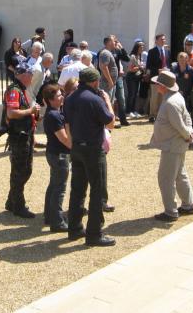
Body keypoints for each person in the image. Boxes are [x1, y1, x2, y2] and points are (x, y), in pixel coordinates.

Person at [64, 67, 116, 246]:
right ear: (94, 82)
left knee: (77, 189)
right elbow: (111, 122)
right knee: (97, 190)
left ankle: (74, 228)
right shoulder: (95, 99)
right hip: (93, 149)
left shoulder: (69, 98)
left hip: (77, 147)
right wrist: (108, 101)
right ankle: (94, 233)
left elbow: (68, 123)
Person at [149, 71, 193, 222]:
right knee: (180, 175)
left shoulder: (170, 102)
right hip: (176, 144)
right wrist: (189, 133)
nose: (156, 85)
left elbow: (180, 124)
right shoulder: (177, 98)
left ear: (163, 86)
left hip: (172, 145)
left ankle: (170, 211)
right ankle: (188, 205)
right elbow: (186, 119)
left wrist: (188, 135)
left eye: (158, 83)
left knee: (166, 178)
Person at [4, 61, 39, 218]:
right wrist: (30, 111)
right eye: (29, 74)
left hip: (25, 134)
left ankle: (12, 202)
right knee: (22, 170)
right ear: (22, 75)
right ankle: (18, 205)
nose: (31, 76)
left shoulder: (21, 89)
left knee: (21, 170)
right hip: (19, 136)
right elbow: (11, 113)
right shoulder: (15, 91)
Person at [42, 84, 72, 232]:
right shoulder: (54, 115)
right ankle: (57, 221)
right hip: (59, 154)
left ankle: (50, 215)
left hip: (53, 153)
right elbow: (64, 139)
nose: (62, 97)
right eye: (59, 96)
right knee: (59, 187)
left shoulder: (54, 112)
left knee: (54, 184)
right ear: (50, 100)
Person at [146, 34, 171, 122]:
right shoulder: (152, 51)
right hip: (155, 78)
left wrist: (168, 69)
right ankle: (152, 115)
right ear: (156, 41)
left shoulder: (167, 51)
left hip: (165, 78)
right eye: (161, 39)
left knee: (163, 97)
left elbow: (169, 63)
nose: (163, 41)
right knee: (155, 97)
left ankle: (160, 115)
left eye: (164, 39)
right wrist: (158, 70)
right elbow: (148, 66)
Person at [111, 35, 130, 127]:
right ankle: (110, 121)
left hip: (118, 78)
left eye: (116, 41)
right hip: (108, 78)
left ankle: (123, 120)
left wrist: (121, 47)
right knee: (110, 100)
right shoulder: (104, 51)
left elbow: (127, 58)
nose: (115, 43)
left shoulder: (117, 51)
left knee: (121, 99)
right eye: (114, 41)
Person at [125, 41, 146, 118]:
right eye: (141, 47)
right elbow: (130, 69)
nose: (142, 48)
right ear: (137, 47)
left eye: (143, 47)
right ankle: (128, 111)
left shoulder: (139, 56)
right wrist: (140, 67)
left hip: (137, 77)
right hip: (131, 77)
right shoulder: (133, 56)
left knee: (135, 95)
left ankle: (133, 111)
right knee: (131, 95)